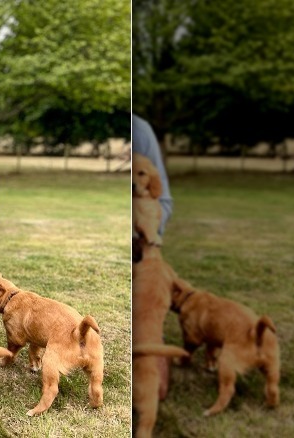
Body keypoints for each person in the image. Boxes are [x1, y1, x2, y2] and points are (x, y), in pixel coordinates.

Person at [132, 113, 173, 401]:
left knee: (154, 390)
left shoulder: (140, 130)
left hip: (141, 248)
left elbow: (164, 202)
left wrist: (145, 227)